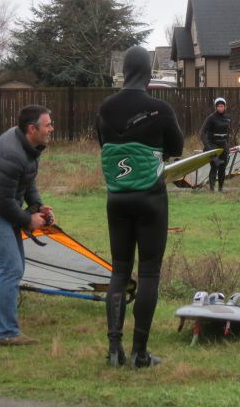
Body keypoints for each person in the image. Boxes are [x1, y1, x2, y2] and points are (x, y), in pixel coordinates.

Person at [96, 46, 184, 368]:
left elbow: (104, 145)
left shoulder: (105, 109)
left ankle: (114, 351)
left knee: (119, 271)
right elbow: (176, 147)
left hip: (116, 199)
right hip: (151, 198)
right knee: (148, 273)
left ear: (124, 71)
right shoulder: (159, 109)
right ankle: (139, 353)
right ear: (148, 72)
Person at [0, 105, 55, 346]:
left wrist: (38, 206)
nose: (51, 129)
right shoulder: (12, 154)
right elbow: (3, 203)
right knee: (11, 268)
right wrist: (28, 219)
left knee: (12, 267)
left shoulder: (28, 147)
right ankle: (7, 333)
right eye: (47, 125)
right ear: (31, 128)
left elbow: (27, 180)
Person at [199, 97, 232, 192]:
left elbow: (228, 133)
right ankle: (212, 190)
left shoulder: (228, 118)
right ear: (216, 107)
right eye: (219, 106)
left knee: (223, 167)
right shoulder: (211, 118)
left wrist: (228, 145)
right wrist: (207, 146)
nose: (221, 108)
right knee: (214, 166)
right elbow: (201, 132)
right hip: (213, 146)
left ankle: (221, 189)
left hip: (223, 146)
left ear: (225, 107)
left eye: (222, 106)